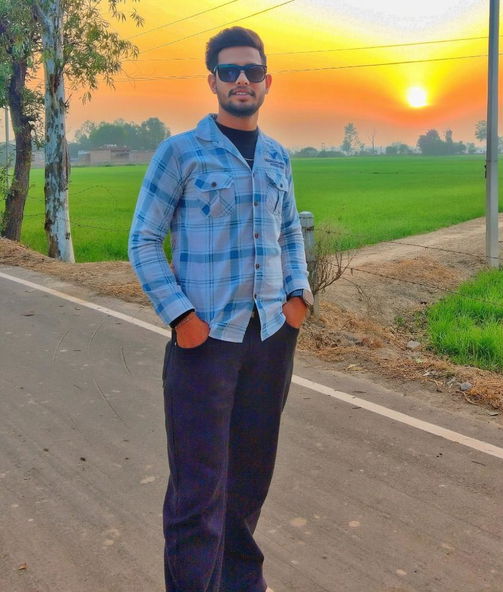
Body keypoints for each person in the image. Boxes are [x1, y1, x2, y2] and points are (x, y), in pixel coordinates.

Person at [128, 26, 313, 592]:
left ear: (266, 82)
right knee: (197, 493)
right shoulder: (181, 152)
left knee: (249, 483)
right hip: (205, 346)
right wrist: (181, 317)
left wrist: (299, 297)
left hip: (270, 341)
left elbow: (289, 233)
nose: (241, 80)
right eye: (229, 71)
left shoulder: (278, 157)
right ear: (211, 80)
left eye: (251, 71)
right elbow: (142, 239)